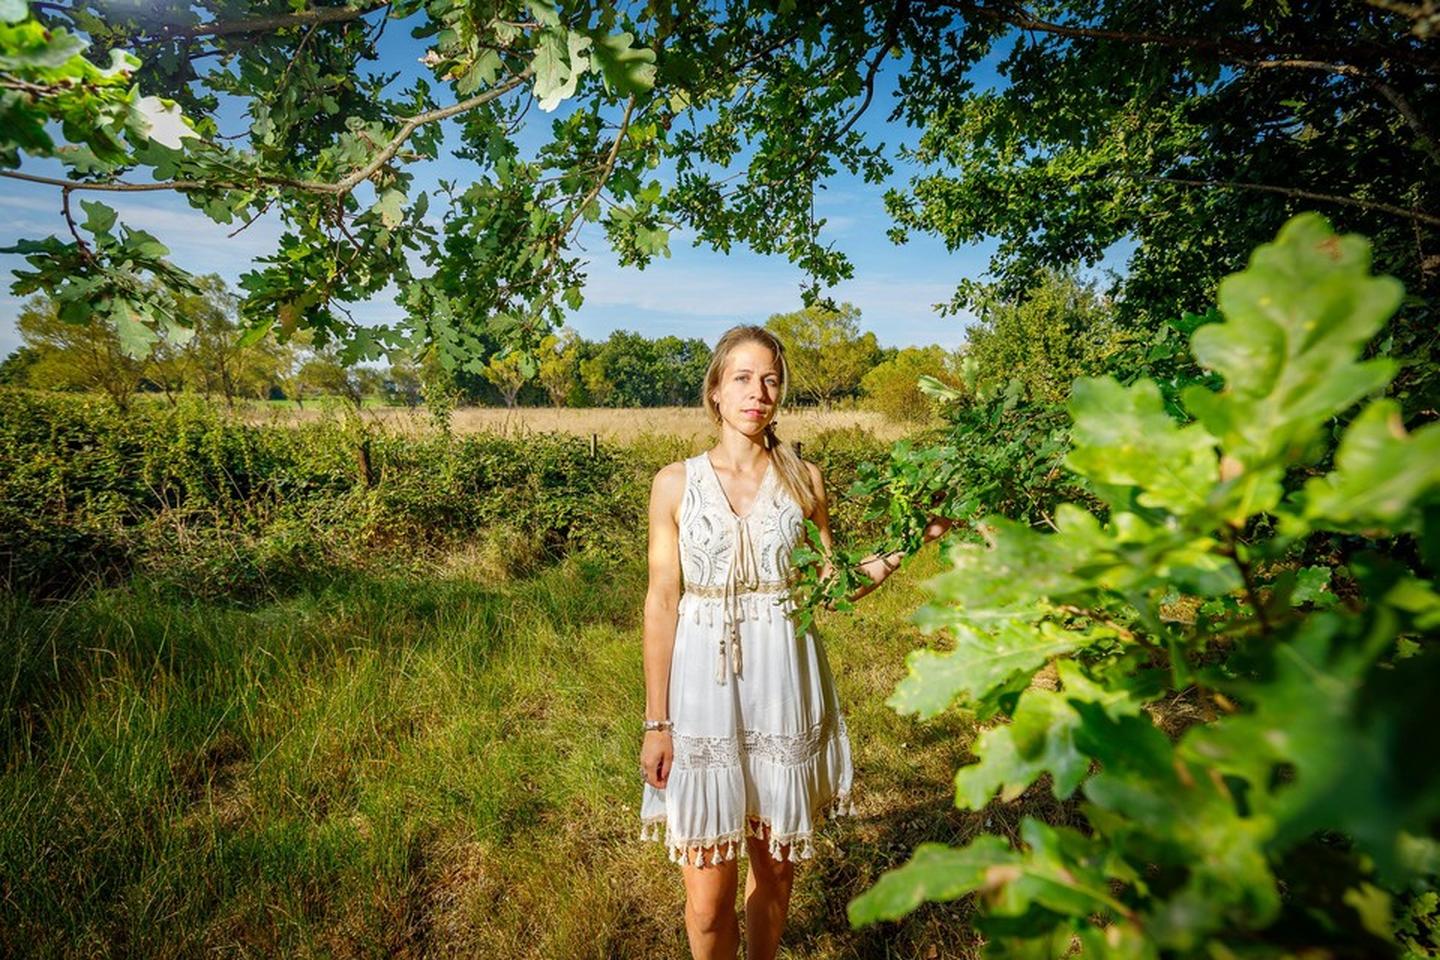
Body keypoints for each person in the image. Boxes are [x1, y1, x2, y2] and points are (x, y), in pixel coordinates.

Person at [637, 324, 952, 959]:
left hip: (785, 679)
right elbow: (662, 600)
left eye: (771, 379)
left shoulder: (805, 479)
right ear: (716, 392)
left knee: (775, 868)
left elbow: (831, 588)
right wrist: (656, 721)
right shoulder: (675, 483)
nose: (759, 392)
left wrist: (909, 541)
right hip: (702, 689)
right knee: (705, 900)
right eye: (744, 378)